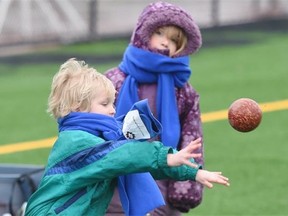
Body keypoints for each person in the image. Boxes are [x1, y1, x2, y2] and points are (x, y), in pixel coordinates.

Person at [25, 59, 229, 216]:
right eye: (104, 104)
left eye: (112, 103)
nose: (113, 110)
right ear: (78, 107)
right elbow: (123, 156)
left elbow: (133, 160)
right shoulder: (76, 141)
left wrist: (192, 172)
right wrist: (165, 156)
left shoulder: (101, 136)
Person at [105, 1, 204, 215]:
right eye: (159, 33)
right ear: (142, 33)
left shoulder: (183, 90)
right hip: (114, 177)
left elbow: (191, 137)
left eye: (174, 40)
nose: (165, 42)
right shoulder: (114, 80)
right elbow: (90, 124)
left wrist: (186, 187)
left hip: (161, 177)